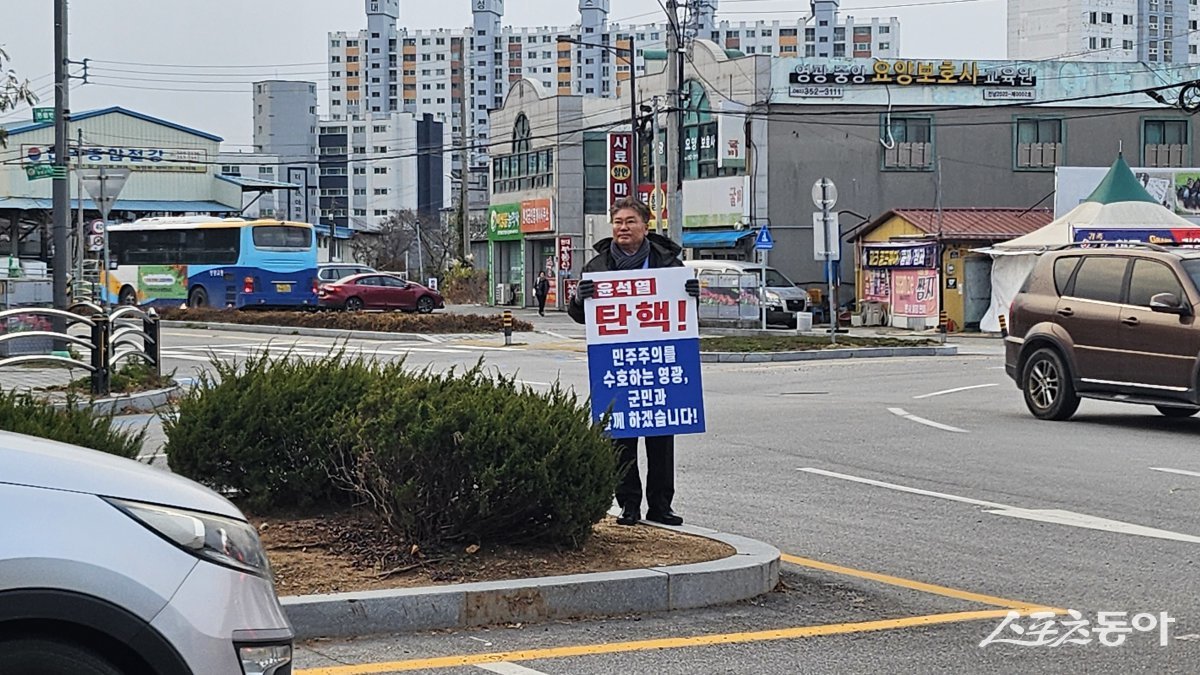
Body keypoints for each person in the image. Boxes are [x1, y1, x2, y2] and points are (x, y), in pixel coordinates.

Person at [569, 197, 699, 527]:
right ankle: (628, 505)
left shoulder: (669, 264)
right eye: (617, 222)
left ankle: (661, 506)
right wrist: (577, 299)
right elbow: (582, 318)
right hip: (617, 362)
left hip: (658, 361)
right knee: (620, 438)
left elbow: (682, 311)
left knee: (661, 437)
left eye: (630, 221)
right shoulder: (596, 268)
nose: (623, 228)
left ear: (645, 225)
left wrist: (691, 293)